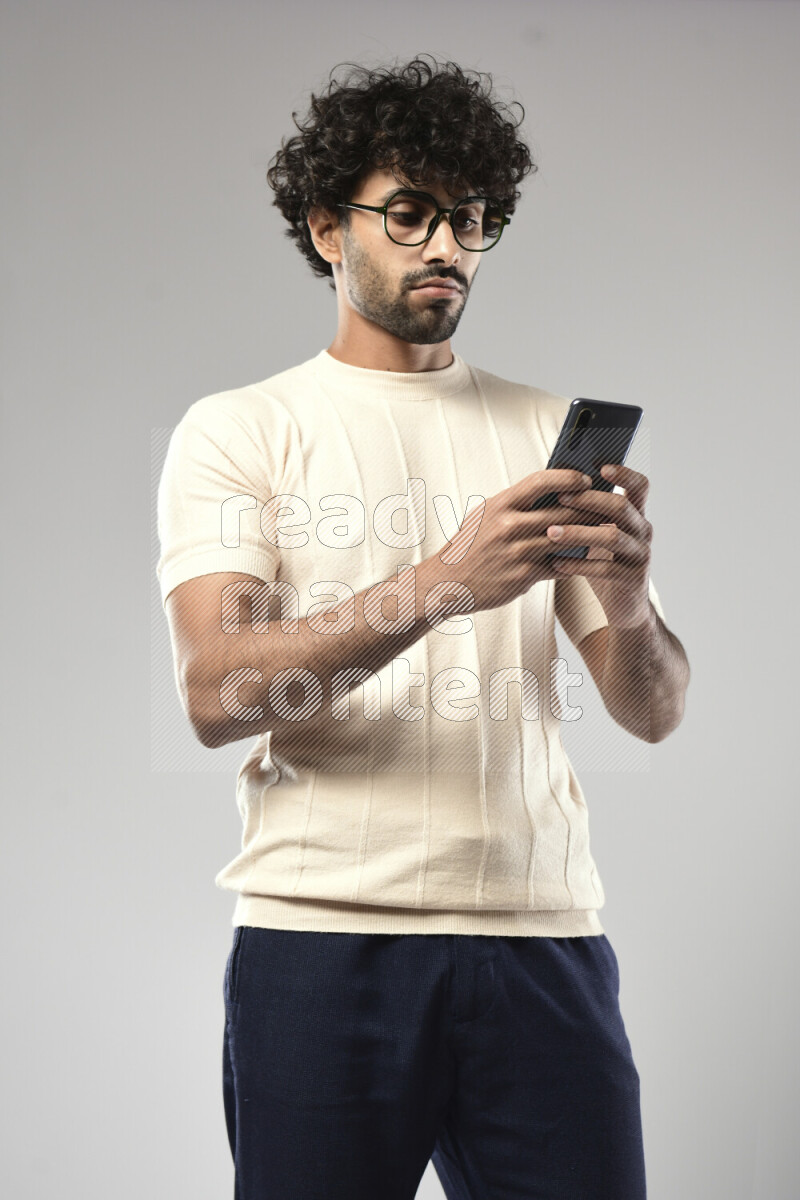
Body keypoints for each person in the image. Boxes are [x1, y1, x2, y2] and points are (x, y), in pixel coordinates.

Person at [156, 55, 690, 1200]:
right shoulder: (240, 431)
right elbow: (217, 694)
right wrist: (445, 583)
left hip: (542, 939)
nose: (446, 246)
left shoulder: (544, 430)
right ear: (326, 227)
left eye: (470, 218)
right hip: (321, 944)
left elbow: (651, 713)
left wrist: (630, 597)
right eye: (409, 214)